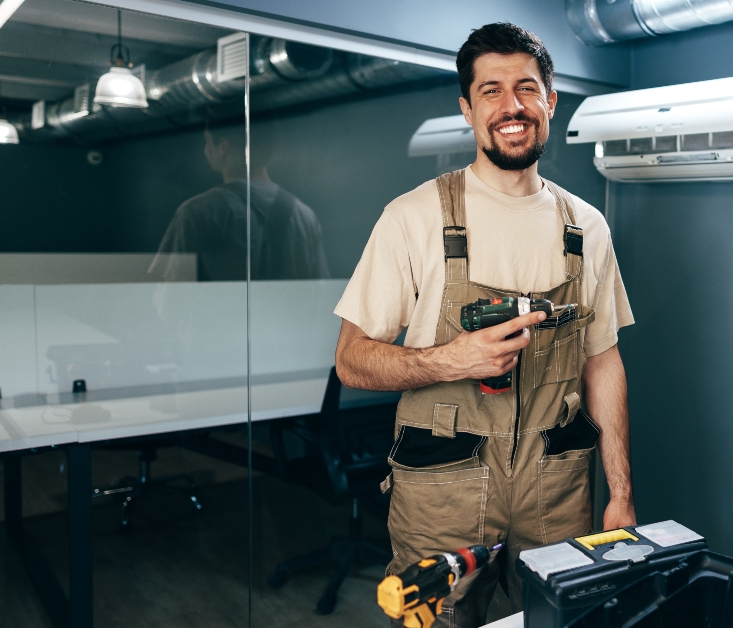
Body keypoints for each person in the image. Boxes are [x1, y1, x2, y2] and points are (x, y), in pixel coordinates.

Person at [333, 22, 636, 627]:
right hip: (442, 487)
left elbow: (602, 359)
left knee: (558, 621)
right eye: (491, 91)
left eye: (527, 88)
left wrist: (621, 495)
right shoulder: (413, 217)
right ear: (468, 109)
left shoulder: (588, 227)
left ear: (550, 102)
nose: (512, 106)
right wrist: (452, 361)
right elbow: (351, 359)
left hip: (558, 486)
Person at [149, 118, 330, 281]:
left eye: (207, 141)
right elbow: (320, 292)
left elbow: (169, 300)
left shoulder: (197, 212)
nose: (205, 149)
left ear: (223, 146)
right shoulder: (306, 216)